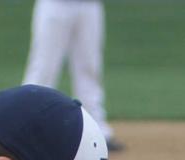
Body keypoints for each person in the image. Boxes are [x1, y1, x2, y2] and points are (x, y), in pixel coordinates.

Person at [22, 0, 122, 152]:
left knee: (90, 67)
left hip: (89, 5)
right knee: (43, 68)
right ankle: (27, 127)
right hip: (55, 4)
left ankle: (97, 131)